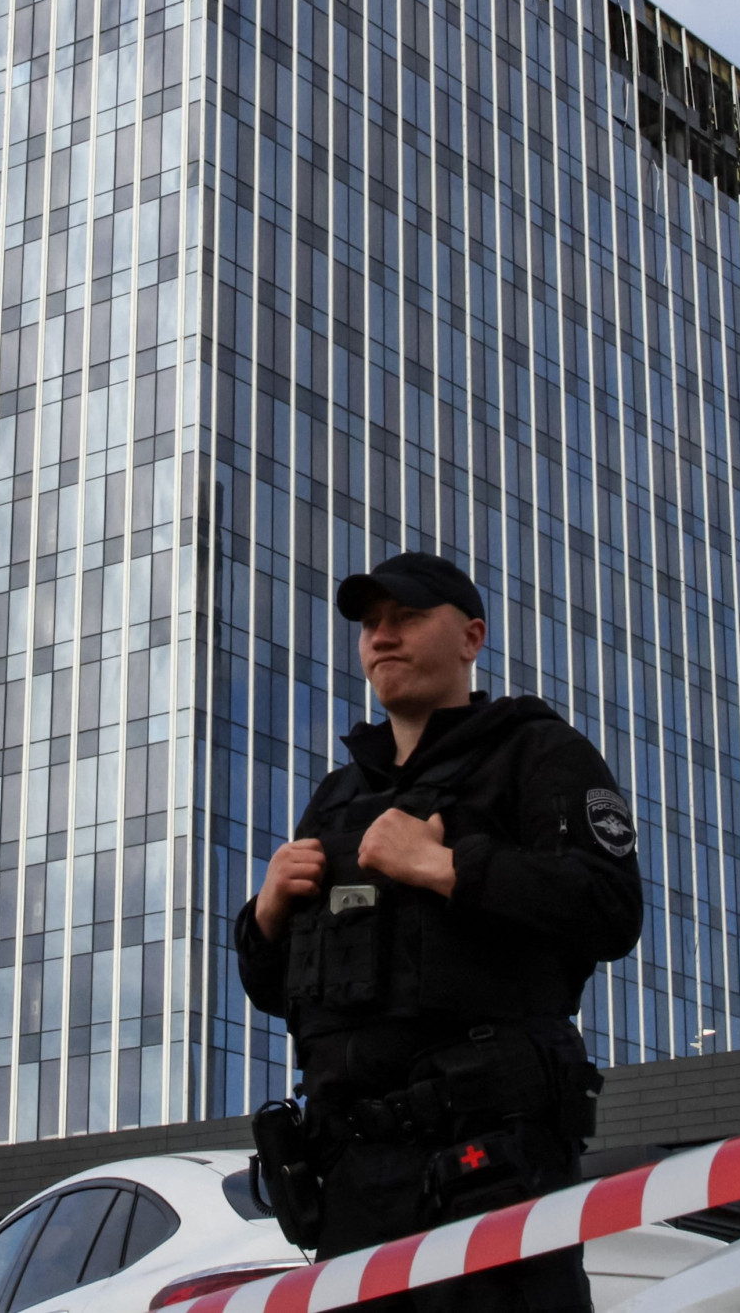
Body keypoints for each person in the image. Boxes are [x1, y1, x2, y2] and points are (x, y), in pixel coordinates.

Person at [233, 550, 644, 1313]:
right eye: (370, 625)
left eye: (408, 617)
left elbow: (611, 908)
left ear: (471, 637)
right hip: (352, 1187)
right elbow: (286, 991)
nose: (382, 637)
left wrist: (449, 865)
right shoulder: (336, 795)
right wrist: (263, 917)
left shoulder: (537, 753)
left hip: (491, 1176)